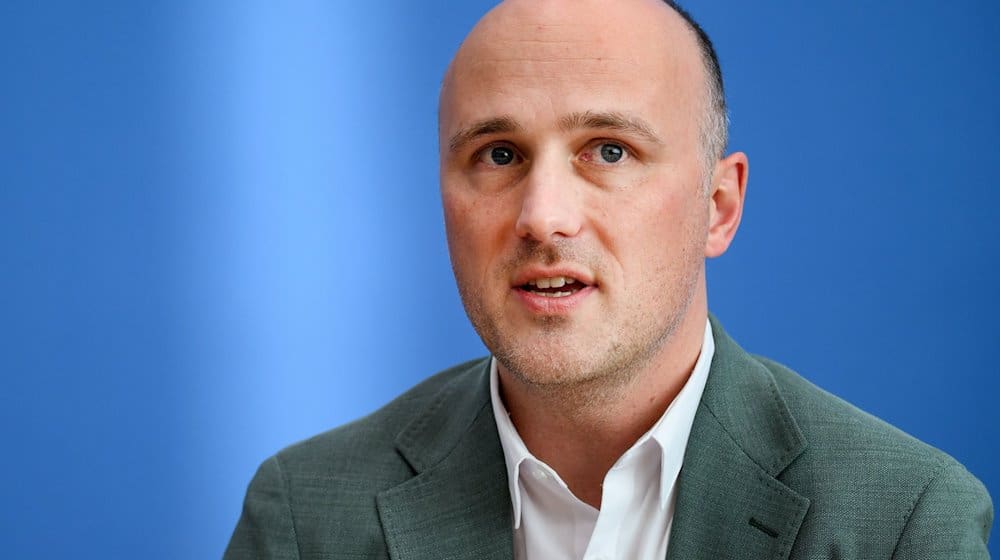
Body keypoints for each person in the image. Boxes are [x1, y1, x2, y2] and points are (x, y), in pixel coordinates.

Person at [224, 0, 993, 558]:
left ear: (718, 207)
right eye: (498, 154)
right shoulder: (304, 517)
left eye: (610, 150)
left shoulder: (902, 523)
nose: (542, 216)